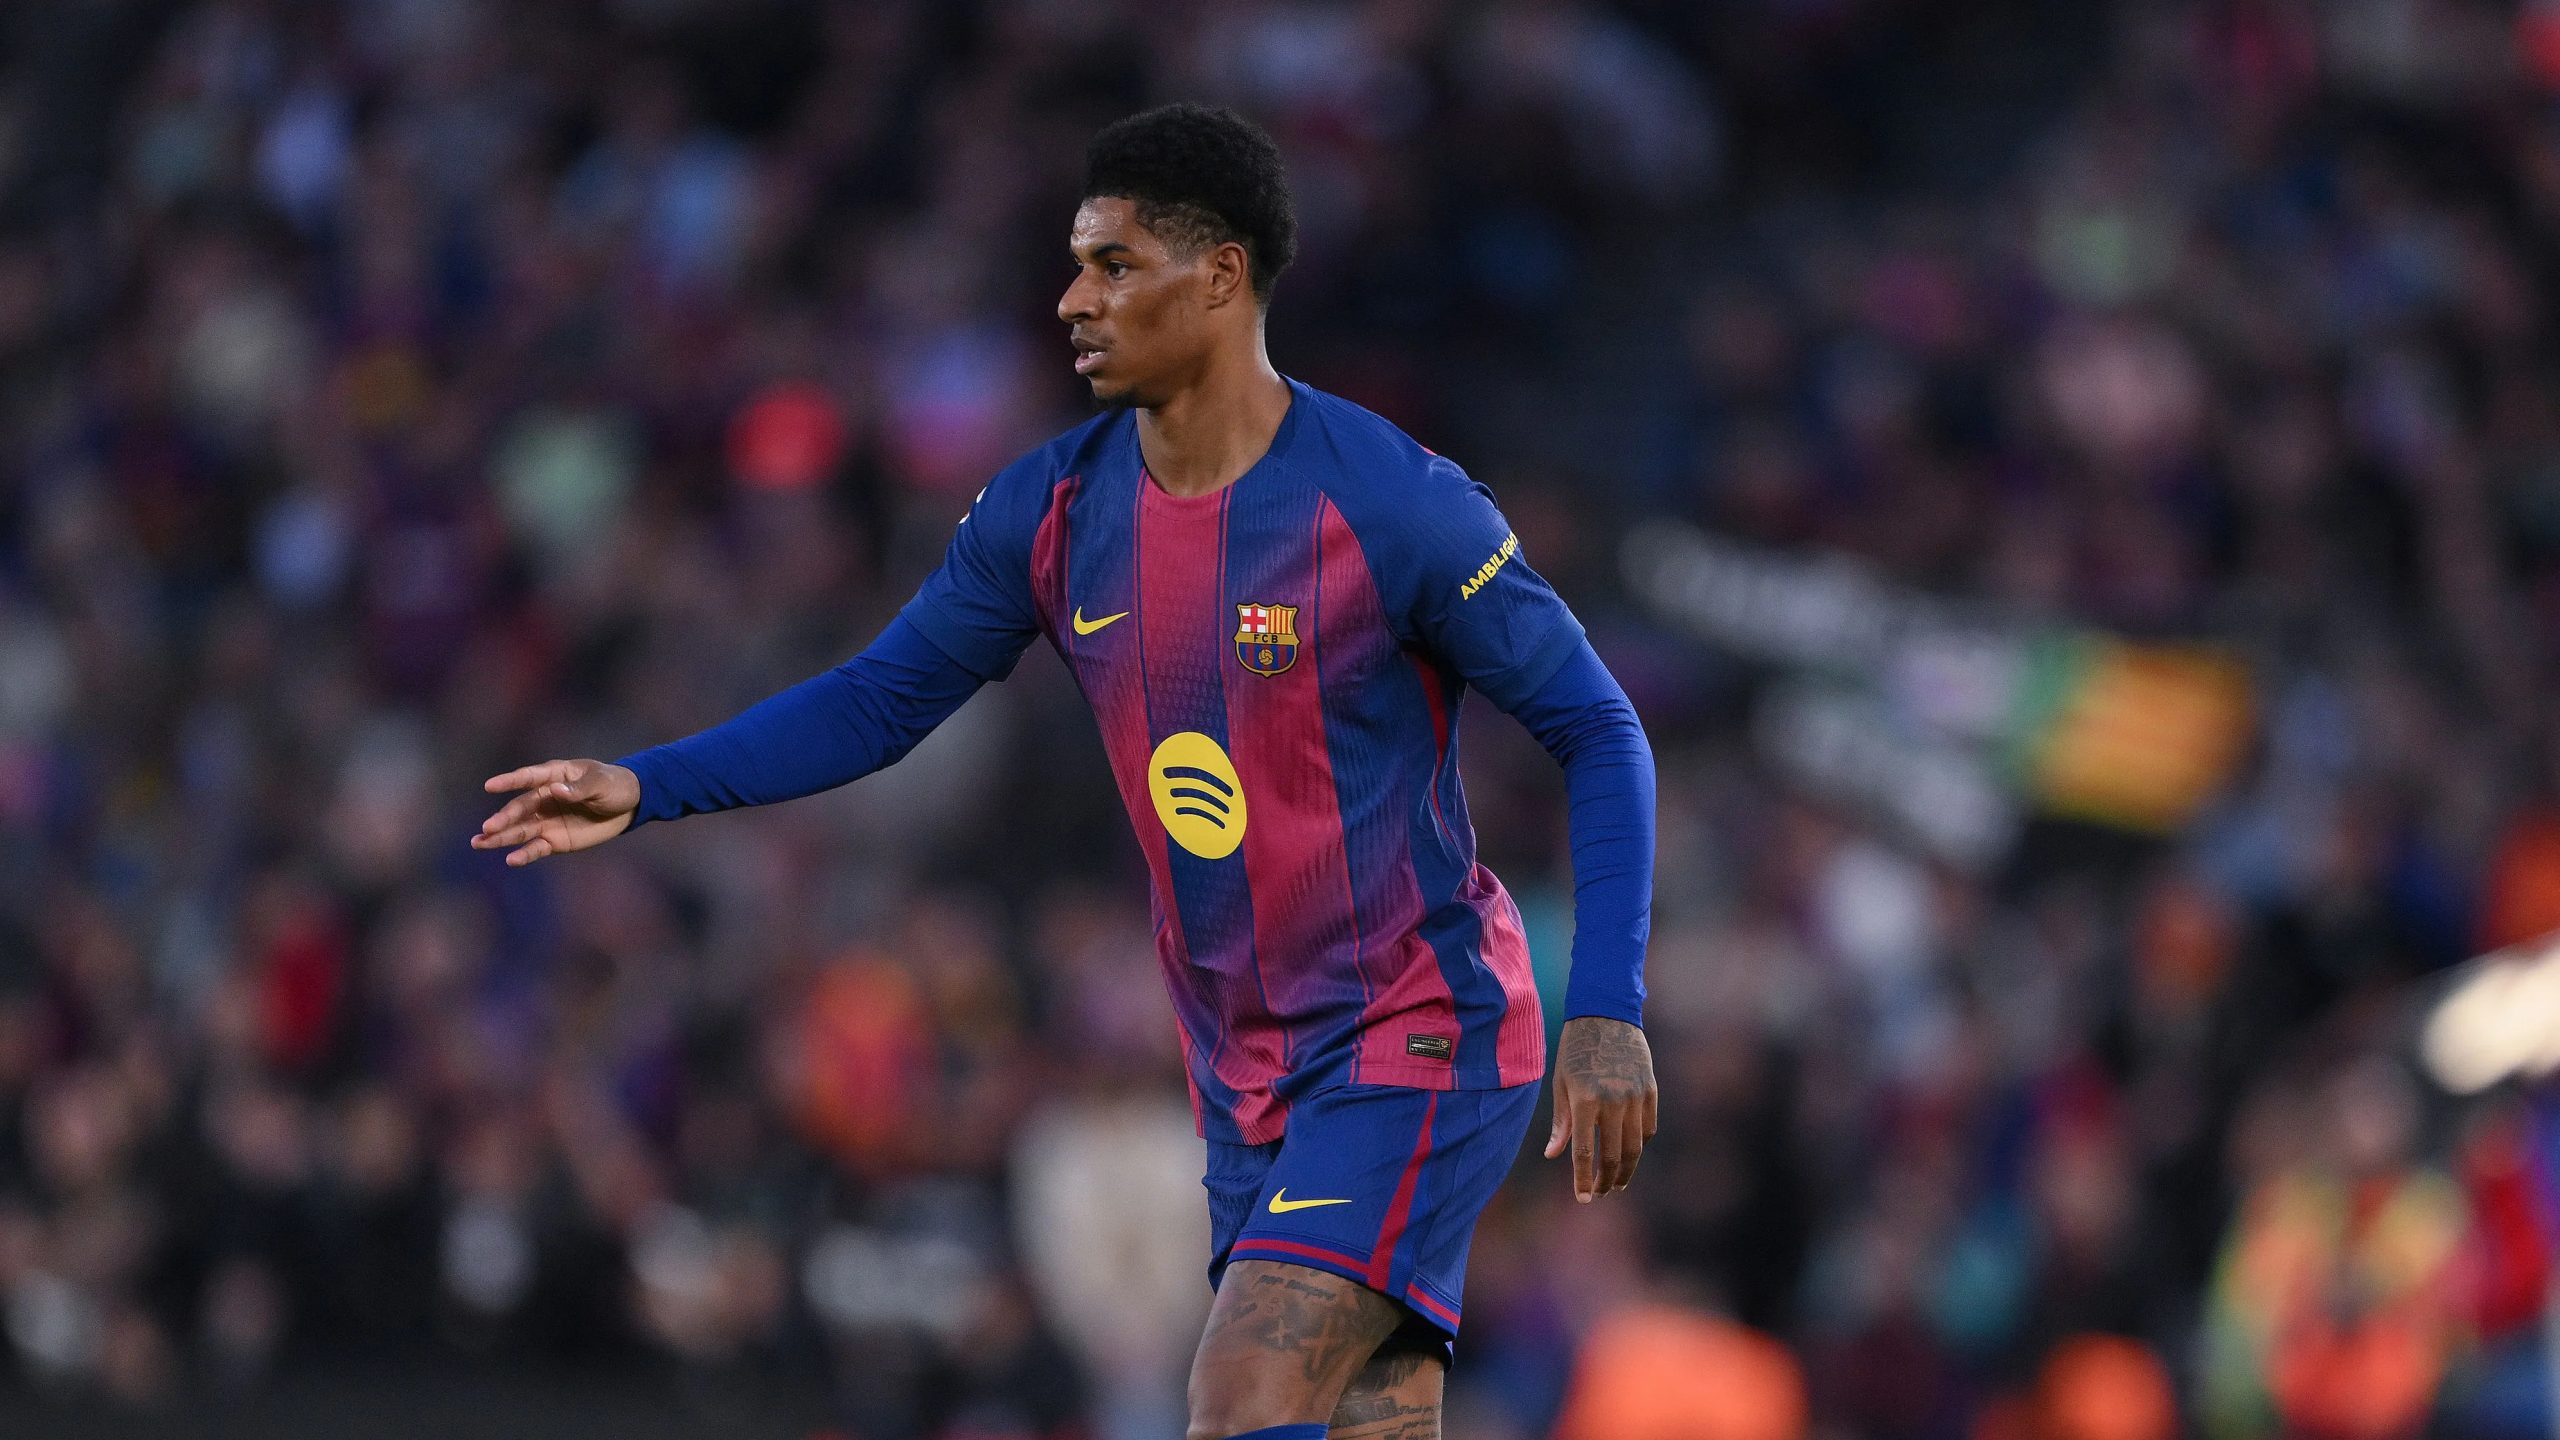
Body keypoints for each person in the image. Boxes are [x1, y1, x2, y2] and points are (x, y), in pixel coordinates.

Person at [474, 102, 1658, 1440]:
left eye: (1114, 265)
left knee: (1243, 1388)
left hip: (1419, 1029)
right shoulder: (1049, 510)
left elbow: (1598, 729)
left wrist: (1607, 1012)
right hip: (1243, 1071)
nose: (1072, 301)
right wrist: (649, 785)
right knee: (1369, 1419)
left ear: (1219, 278)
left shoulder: (1393, 504)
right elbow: (880, 700)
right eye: (1075, 264)